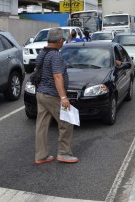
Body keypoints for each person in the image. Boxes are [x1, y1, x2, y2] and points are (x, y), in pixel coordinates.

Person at [35, 28, 78, 165]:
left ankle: (41, 156)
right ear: (59, 41)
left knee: (42, 125)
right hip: (52, 95)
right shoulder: (56, 56)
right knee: (66, 122)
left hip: (40, 93)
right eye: (63, 40)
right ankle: (64, 153)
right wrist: (64, 98)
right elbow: (57, 76)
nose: (63, 43)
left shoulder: (42, 52)